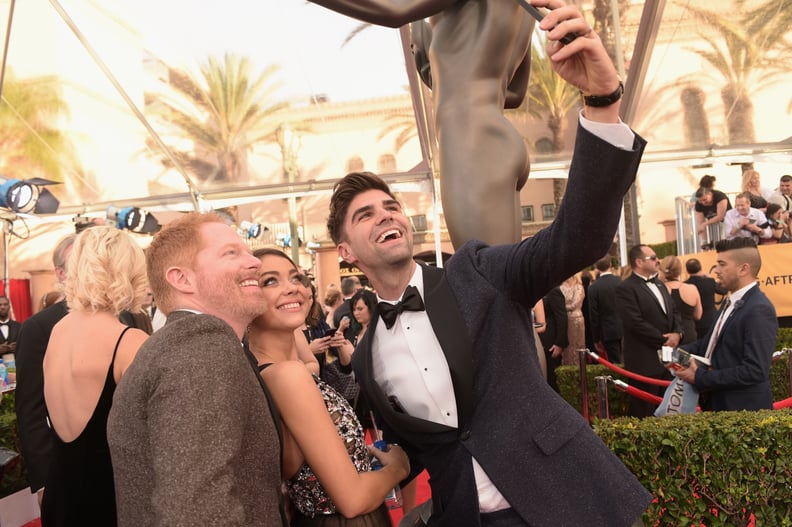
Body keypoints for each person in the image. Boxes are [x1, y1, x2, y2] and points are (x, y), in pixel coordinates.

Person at [324, 4, 652, 523]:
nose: (387, 215)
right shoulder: (367, 359)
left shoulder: (475, 271)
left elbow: (577, 239)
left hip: (564, 504)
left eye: (391, 206)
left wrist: (603, 101)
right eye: (366, 215)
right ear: (345, 253)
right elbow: (428, 451)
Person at [314, 0, 556, 247]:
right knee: (504, 274)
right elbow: (514, 93)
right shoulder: (522, 8)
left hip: (469, 140)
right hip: (500, 137)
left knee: (486, 276)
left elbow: (396, 11)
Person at [107, 212, 284, 526]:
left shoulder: (183, 344)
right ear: (182, 279)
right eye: (231, 253)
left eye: (247, 250)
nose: (254, 261)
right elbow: (196, 513)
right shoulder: (201, 346)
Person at [247, 248, 408, 526]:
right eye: (270, 281)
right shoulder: (287, 376)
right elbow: (353, 499)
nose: (291, 288)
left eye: (295, 277)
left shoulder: (273, 369)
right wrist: (398, 467)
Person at [40, 226, 150, 526]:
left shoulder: (57, 331)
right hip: (108, 499)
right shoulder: (130, 341)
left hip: (60, 495)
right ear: (129, 272)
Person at [674, 238, 778, 411]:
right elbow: (708, 344)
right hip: (720, 408)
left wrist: (700, 377)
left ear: (743, 269)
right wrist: (678, 354)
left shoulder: (759, 309)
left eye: (722, 264)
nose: (716, 270)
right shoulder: (729, 302)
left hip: (743, 414)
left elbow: (755, 370)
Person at [15, 234, 75, 505]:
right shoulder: (39, 327)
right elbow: (31, 410)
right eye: (79, 265)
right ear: (61, 274)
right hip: (66, 468)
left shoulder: (127, 317)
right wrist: (44, 481)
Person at [616, 245, 683, 418]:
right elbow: (634, 322)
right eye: (652, 258)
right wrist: (663, 340)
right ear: (639, 262)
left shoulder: (660, 284)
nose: (657, 260)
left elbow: (674, 311)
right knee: (644, 411)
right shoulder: (626, 288)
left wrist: (677, 333)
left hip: (667, 360)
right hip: (643, 360)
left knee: (669, 409)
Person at [658, 255, 702, 345]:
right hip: (689, 335)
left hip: (668, 337)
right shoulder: (692, 288)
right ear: (680, 270)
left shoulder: (660, 290)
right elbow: (698, 315)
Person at [587, 256, 624, 363]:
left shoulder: (593, 287)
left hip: (608, 331)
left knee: (615, 362)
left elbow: (594, 315)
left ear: (596, 267)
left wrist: (596, 338)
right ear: (610, 265)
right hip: (625, 328)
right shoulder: (621, 281)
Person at [684, 257, 726, 341]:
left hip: (695, 323)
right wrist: (712, 279)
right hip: (711, 320)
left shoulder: (685, 285)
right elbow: (722, 291)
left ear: (687, 271)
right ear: (700, 268)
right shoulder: (709, 281)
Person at [537, 286, 568, 393]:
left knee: (552, 380)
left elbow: (562, 317)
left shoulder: (553, 290)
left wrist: (559, 344)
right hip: (538, 343)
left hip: (551, 344)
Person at [559, 274, 585, 366]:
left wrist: (560, 308)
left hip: (576, 320)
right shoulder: (561, 287)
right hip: (564, 320)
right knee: (566, 348)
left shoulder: (578, 287)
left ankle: (577, 369)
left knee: (576, 346)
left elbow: (575, 304)